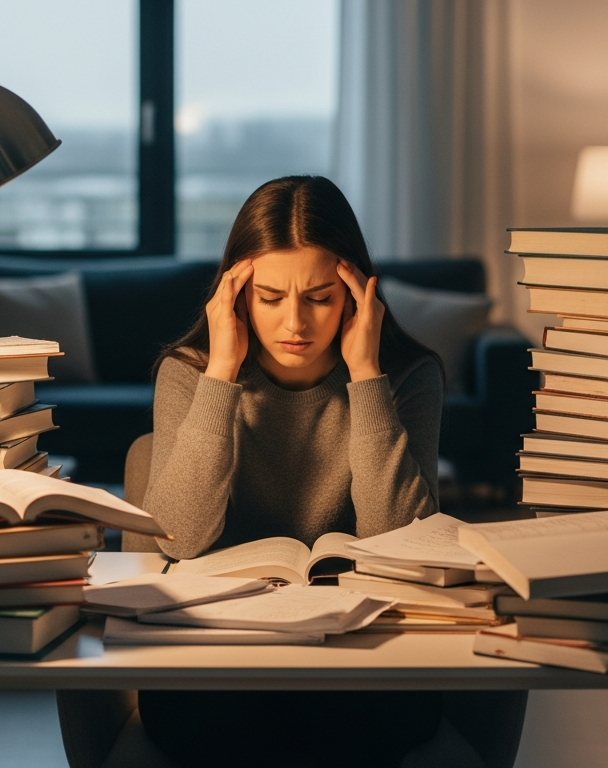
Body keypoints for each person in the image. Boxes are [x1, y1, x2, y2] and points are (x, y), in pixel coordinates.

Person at [137, 175, 446, 768]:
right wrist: (221, 375)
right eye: (271, 297)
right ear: (237, 296)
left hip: (358, 651)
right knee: (214, 722)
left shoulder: (406, 377)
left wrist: (365, 377)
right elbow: (176, 533)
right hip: (220, 654)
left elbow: (404, 542)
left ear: (356, 294)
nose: (295, 324)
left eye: (320, 297)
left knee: (374, 717)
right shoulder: (189, 374)